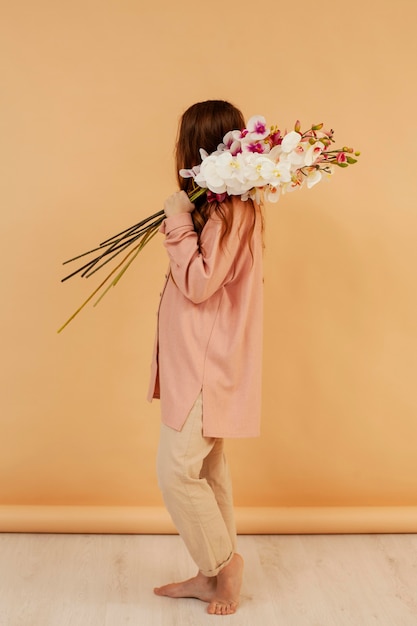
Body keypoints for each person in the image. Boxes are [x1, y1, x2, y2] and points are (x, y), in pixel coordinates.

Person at [147, 100, 263, 616]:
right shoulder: (223, 206)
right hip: (194, 358)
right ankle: (210, 575)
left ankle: (224, 563)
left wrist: (176, 222)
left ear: (196, 144)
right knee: (209, 467)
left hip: (204, 363)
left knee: (177, 470)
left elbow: (197, 284)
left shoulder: (225, 210)